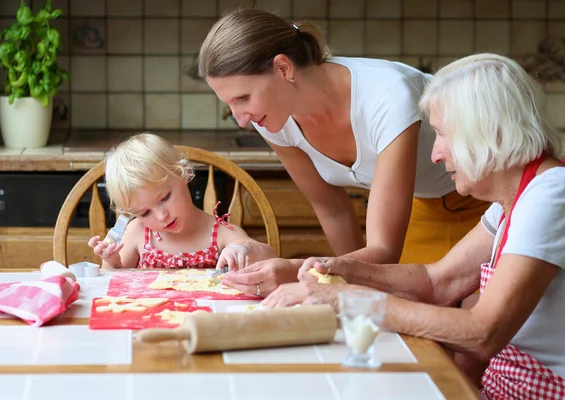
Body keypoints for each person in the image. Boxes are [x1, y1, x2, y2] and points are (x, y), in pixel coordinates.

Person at [262, 53, 565, 398]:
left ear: (488, 131)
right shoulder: (514, 201)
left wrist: (349, 299)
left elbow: (482, 333)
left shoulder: (554, 194)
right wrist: (345, 270)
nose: (436, 154)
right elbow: (439, 281)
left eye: (443, 135)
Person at [198, 8, 489, 297]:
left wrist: (294, 270)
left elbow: (384, 251)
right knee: (403, 318)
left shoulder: (388, 96)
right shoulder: (272, 117)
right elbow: (333, 209)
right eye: (230, 104)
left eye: (243, 98)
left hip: (488, 201)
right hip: (424, 205)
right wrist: (345, 287)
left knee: (468, 331)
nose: (241, 119)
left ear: (283, 68)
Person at [88, 133, 277, 270]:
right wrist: (112, 262)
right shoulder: (137, 233)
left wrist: (243, 249)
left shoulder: (219, 233)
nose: (162, 215)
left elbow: (270, 256)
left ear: (184, 174)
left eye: (165, 198)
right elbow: (113, 283)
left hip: (203, 321)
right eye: (145, 213)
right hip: (152, 320)